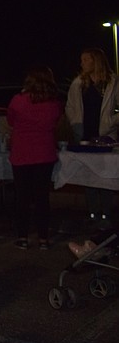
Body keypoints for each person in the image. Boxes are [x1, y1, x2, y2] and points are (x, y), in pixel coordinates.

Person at [7, 66, 64, 251]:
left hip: (22, 153)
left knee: (22, 197)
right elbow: (55, 123)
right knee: (42, 197)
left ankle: (22, 236)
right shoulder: (54, 105)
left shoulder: (18, 101)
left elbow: (10, 121)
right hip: (44, 153)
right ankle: (43, 238)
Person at [65, 47, 119, 226]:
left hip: (105, 135)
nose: (82, 63)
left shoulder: (111, 82)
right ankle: (93, 213)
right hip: (84, 134)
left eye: (86, 59)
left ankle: (107, 212)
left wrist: (112, 121)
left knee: (105, 173)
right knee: (88, 174)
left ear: (95, 61)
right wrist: (75, 124)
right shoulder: (78, 83)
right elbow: (70, 106)